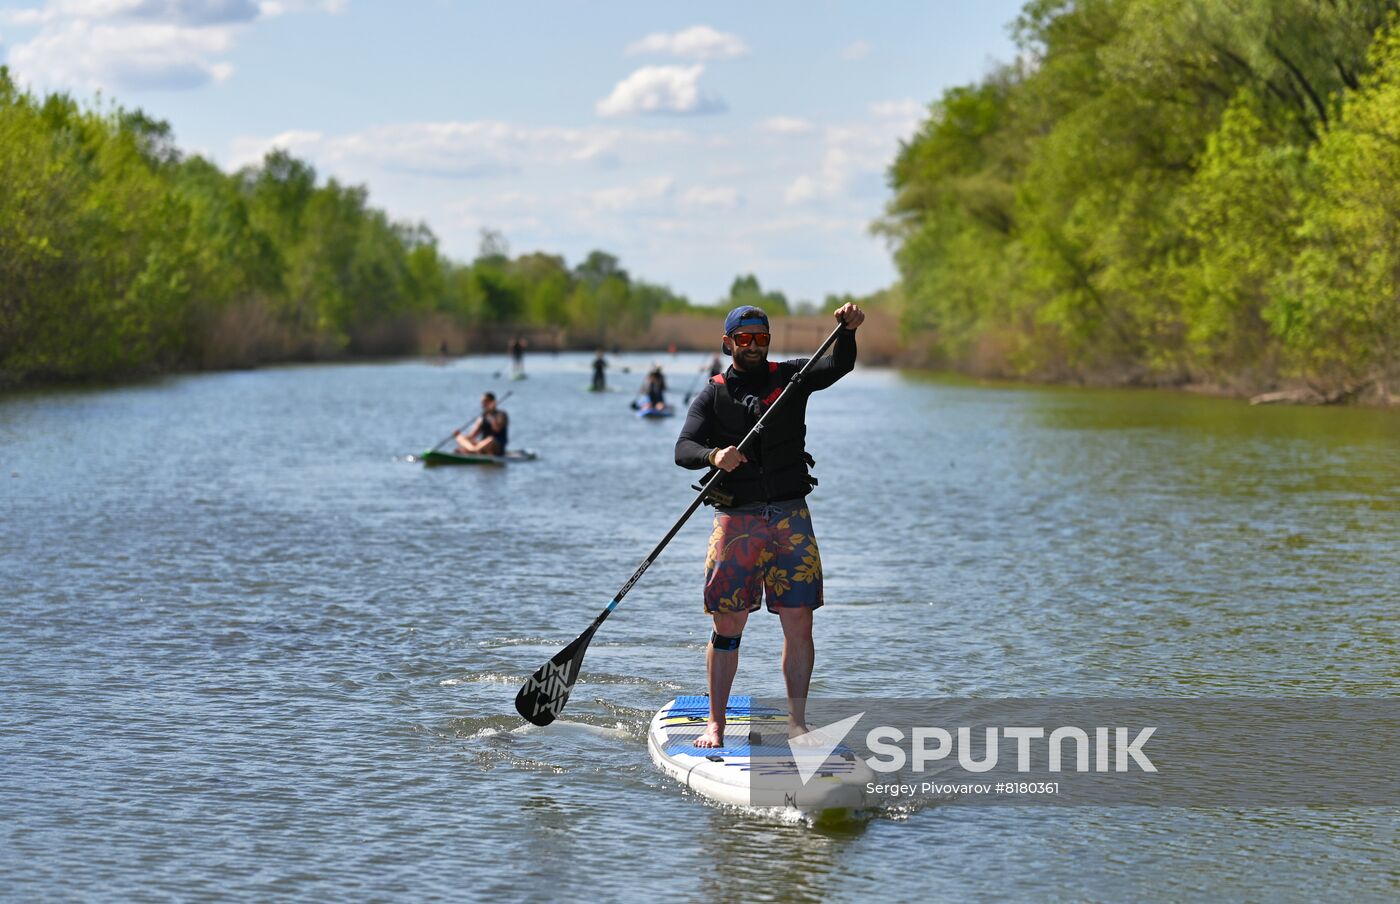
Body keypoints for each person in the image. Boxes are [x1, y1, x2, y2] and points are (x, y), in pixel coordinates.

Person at [674, 302, 864, 748]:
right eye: (745, 339)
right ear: (728, 343)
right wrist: (713, 455)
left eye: (761, 338)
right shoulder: (713, 394)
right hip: (736, 520)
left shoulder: (792, 379)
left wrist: (849, 330)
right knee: (728, 625)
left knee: (799, 622)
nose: (754, 346)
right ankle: (715, 725)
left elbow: (839, 364)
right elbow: (683, 447)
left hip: (790, 515)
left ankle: (797, 722)